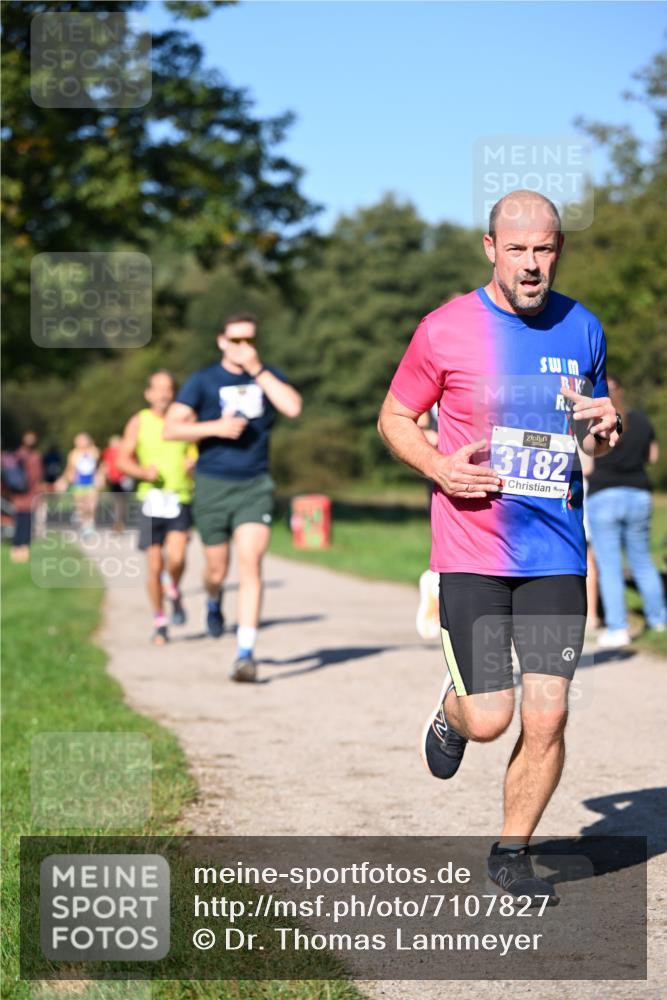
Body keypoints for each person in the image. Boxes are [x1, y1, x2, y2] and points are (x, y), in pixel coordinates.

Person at [378, 190, 621, 903]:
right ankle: (451, 712)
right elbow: (395, 416)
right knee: (490, 717)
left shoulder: (582, 327)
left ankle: (512, 852)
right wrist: (435, 465)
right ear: (489, 249)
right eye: (516, 249)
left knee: (547, 713)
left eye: (543, 248)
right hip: (471, 549)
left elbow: (589, 431)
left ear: (558, 249)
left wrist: (602, 431)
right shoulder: (445, 328)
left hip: (555, 551)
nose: (531, 263)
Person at [164, 311, 302, 682]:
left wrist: (258, 370)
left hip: (254, 484)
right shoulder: (203, 381)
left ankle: (245, 653)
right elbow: (171, 428)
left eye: (250, 340)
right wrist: (215, 428)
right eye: (237, 340)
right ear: (222, 341)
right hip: (212, 484)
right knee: (216, 569)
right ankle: (212, 599)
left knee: (250, 563)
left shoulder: (267, 376)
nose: (244, 347)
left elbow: (292, 407)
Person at [586, 374, 666, 648]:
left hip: (603, 495)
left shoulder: (593, 422)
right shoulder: (641, 419)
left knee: (608, 565)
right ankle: (659, 619)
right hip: (639, 494)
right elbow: (652, 457)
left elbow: (586, 464)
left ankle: (618, 628)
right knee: (642, 560)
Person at [116, 371, 196, 645]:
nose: (163, 395)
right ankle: (160, 620)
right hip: (150, 498)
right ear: (148, 393)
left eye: (169, 389)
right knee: (154, 565)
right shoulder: (139, 421)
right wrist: (141, 471)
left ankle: (172, 586)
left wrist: (193, 462)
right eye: (158, 390)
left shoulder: (186, 418)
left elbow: (198, 449)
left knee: (177, 558)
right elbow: (122, 460)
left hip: (179, 496)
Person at [3, 431, 44, 563]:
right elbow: (37, 477)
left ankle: (17, 551)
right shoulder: (34, 457)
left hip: (18, 496)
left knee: (20, 523)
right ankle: (22, 552)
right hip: (28, 496)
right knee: (26, 524)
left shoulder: (14, 456)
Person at [57, 433, 101, 538]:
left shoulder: (94, 451)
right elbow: (69, 469)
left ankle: (90, 527)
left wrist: (100, 477)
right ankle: (83, 523)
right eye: (77, 441)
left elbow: (100, 466)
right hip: (79, 484)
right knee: (81, 506)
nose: (79, 443)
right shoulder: (73, 454)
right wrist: (63, 480)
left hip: (91, 483)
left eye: (81, 440)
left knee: (91, 506)